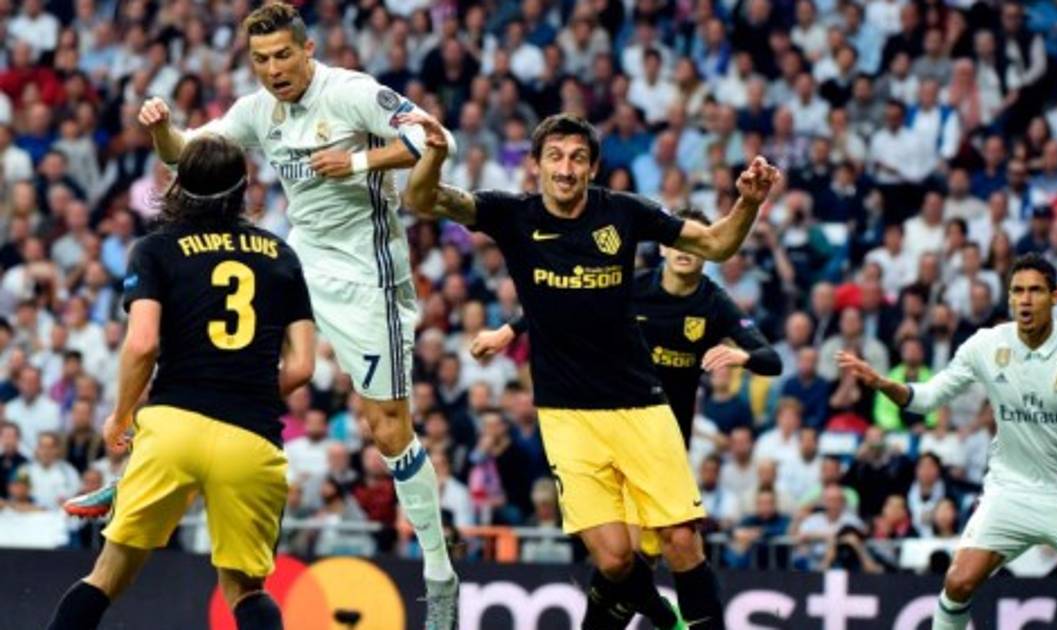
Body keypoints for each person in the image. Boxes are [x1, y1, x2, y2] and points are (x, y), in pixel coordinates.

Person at [134, 2, 460, 620]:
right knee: (216, 340)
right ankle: (149, 448)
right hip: (300, 258)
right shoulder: (257, 110)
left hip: (367, 274)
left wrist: (357, 161)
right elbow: (187, 156)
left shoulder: (352, 93)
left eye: (283, 55)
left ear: (308, 50)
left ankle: (439, 572)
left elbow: (436, 137)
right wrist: (161, 130)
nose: (273, 69)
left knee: (388, 428)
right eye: (261, 59)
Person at [400, 110, 780, 629]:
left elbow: (716, 243)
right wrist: (436, 155)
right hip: (566, 413)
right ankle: (662, 616)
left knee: (680, 539)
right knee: (615, 560)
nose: (566, 168)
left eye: (578, 158)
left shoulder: (623, 212)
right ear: (535, 165)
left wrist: (749, 203)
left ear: (593, 167)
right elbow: (423, 199)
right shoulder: (511, 214)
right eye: (555, 156)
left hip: (640, 403)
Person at [45, 134, 316, 630]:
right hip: (251, 436)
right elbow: (302, 367)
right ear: (244, 186)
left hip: (173, 427)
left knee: (107, 575)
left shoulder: (156, 249)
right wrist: (247, 389)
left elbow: (142, 343)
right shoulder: (282, 255)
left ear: (177, 184)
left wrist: (120, 416)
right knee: (246, 590)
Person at [838, 254, 1057, 630]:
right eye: (1017, 291)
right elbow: (928, 397)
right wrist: (884, 384)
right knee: (958, 582)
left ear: (1054, 298)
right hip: (1011, 491)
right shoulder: (986, 345)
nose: (1025, 300)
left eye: (1035, 291)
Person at [472, 206, 783, 560]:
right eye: (678, 243)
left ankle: (629, 595)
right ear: (663, 246)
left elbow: (772, 360)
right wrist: (507, 331)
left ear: (707, 250)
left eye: (694, 244)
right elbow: (564, 301)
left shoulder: (716, 304)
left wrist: (743, 357)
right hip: (615, 424)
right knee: (621, 550)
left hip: (667, 440)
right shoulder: (632, 287)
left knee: (649, 552)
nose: (684, 251)